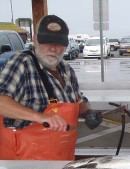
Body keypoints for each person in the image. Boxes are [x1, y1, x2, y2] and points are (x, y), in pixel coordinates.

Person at [0, 15, 102, 160]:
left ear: (66, 45)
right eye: (46, 42)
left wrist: (87, 112)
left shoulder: (66, 69)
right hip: (24, 162)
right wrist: (40, 116)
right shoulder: (21, 63)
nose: (53, 48)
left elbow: (78, 99)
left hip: (62, 159)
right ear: (35, 40)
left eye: (58, 43)